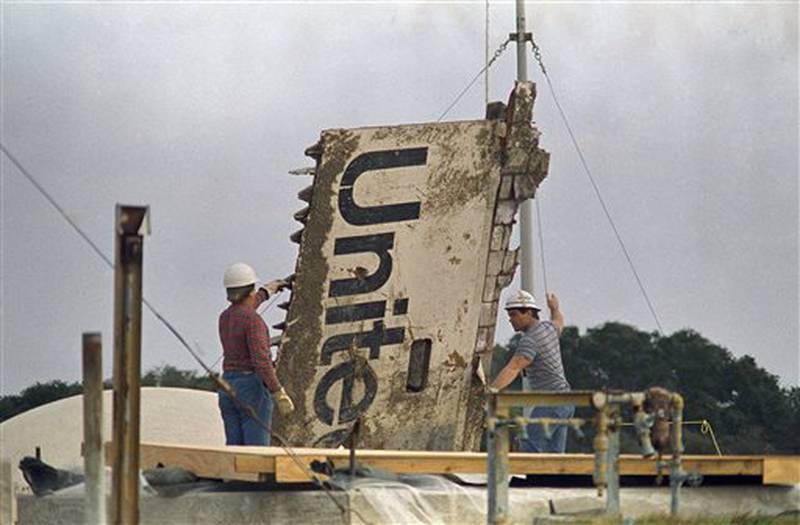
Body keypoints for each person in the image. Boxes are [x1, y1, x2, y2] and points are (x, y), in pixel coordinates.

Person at [218, 262, 295, 446]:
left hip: (227, 385)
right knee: (255, 451)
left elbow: (244, 307)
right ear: (250, 290)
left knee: (235, 451)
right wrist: (278, 392)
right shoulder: (253, 321)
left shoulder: (225, 317)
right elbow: (262, 362)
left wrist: (268, 290)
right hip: (251, 388)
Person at [490, 289, 573, 453]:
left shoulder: (530, 340)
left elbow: (513, 368)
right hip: (567, 401)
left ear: (528, 312)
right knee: (555, 456)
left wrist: (491, 392)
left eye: (514, 314)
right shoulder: (548, 328)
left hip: (552, 401)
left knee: (528, 448)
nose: (510, 319)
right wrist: (554, 308)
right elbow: (559, 321)